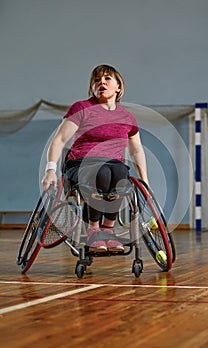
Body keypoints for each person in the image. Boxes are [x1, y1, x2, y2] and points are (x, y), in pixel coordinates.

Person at [42, 64, 148, 253]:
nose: (102, 82)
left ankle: (108, 230)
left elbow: (137, 151)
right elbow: (59, 140)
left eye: (107, 78)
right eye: (97, 80)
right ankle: (93, 229)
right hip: (81, 163)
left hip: (113, 166)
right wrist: (50, 170)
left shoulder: (127, 117)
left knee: (121, 172)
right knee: (104, 172)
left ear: (118, 87)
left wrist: (145, 181)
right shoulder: (82, 108)